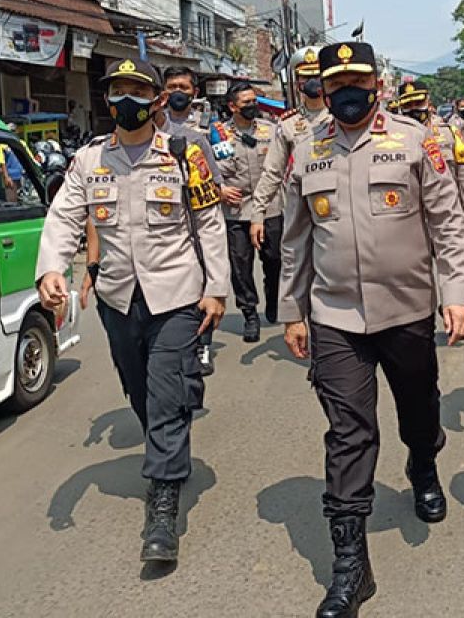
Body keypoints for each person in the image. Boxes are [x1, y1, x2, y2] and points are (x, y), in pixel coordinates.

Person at [278, 41, 464, 617]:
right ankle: (351, 565)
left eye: (356, 81)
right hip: (336, 316)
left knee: (419, 410)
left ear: (378, 84)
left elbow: (448, 223)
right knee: (348, 433)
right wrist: (293, 310)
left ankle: (423, 463)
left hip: (408, 309)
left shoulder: (416, 141)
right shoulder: (306, 149)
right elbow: (296, 240)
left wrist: (456, 295)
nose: (345, 93)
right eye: (334, 84)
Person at [35, 57, 229, 563]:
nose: (127, 101)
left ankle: (162, 506)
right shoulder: (90, 160)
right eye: (117, 91)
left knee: (164, 394)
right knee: (140, 391)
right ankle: (171, 434)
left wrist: (216, 288)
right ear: (107, 99)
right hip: (118, 297)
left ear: (157, 100)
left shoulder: (183, 154)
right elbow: (64, 218)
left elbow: (209, 223)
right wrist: (51, 268)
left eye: (137, 91)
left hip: (177, 295)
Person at [153, 65, 224, 369]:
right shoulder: (147, 135)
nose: (177, 92)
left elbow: (214, 185)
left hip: (192, 230)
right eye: (171, 86)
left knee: (199, 290)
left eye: (183, 86)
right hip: (157, 238)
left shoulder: (200, 137)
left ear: (194, 92)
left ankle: (203, 347)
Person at [248, 46, 329, 308]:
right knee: (298, 269)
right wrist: (258, 213)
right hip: (299, 210)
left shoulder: (341, 117)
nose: (313, 81)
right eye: (307, 77)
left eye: (318, 75)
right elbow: (272, 171)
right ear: (298, 82)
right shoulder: (288, 124)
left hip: (336, 207)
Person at [211, 82, 280, 357]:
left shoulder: (270, 130)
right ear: (232, 106)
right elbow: (211, 171)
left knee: (274, 258)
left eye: (254, 100)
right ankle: (250, 313)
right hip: (236, 209)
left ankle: (273, 298)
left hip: (270, 206)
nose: (252, 105)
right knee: (240, 265)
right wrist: (220, 190)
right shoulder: (219, 135)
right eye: (246, 102)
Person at [396, 81, 464, 207]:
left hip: (448, 211)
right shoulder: (393, 140)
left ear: (428, 101)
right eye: (408, 105)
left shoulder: (450, 134)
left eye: (418, 103)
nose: (414, 109)